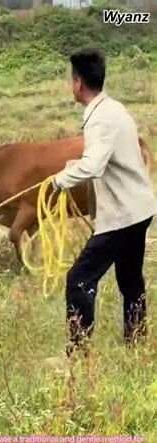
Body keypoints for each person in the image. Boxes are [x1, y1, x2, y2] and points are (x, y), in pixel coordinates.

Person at [45, 49, 157, 368]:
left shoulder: (101, 119)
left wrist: (59, 180)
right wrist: (74, 166)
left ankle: (77, 357)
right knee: (130, 279)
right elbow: (104, 159)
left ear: (78, 83)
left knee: (79, 278)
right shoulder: (113, 109)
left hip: (122, 215)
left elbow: (93, 166)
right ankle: (136, 344)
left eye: (71, 79)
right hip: (139, 208)